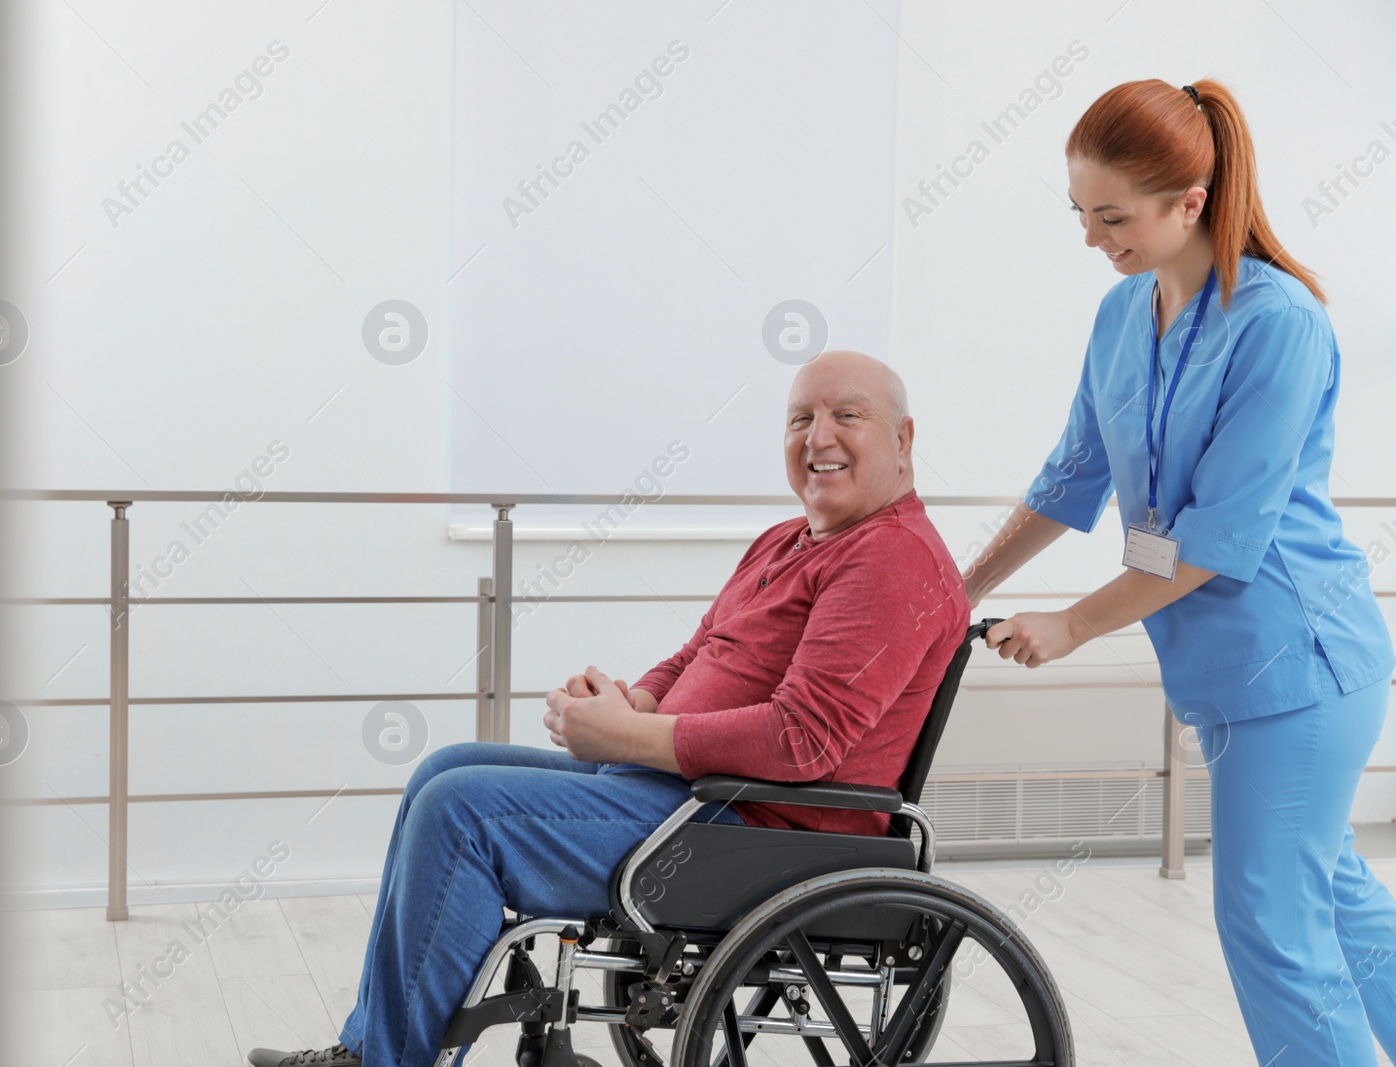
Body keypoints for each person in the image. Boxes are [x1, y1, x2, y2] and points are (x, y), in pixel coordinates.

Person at [247, 350, 969, 1067]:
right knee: (444, 768)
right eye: (800, 418)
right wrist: (633, 702)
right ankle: (368, 1048)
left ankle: (389, 1063)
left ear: (904, 440)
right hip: (691, 798)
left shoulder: (889, 559)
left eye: (848, 416)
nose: (818, 437)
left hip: (758, 825)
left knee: (460, 811)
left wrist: (631, 735)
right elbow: (699, 654)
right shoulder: (787, 539)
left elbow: (801, 741)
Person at [961, 79, 1396, 1066]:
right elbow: (1072, 473)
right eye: (1079, 213)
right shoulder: (1123, 313)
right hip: (1219, 665)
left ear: (1188, 202)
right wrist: (963, 586)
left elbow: (1218, 537)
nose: (1090, 237)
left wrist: (1072, 623)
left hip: (1299, 663)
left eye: (1111, 216)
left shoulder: (1279, 322)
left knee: (1270, 924)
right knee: (1331, 894)